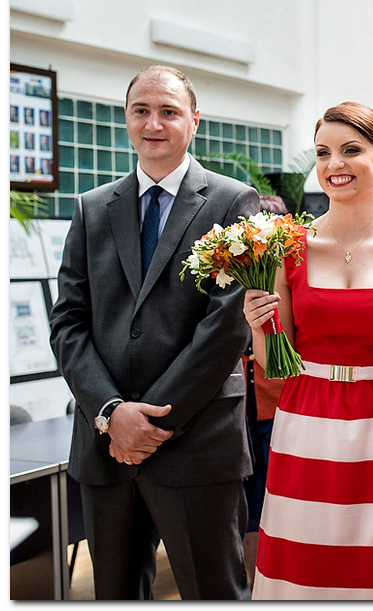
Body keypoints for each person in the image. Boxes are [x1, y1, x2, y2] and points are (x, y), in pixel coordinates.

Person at [49, 65, 258, 599]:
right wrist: (111, 413)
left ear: (194, 121)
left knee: (214, 593)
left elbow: (227, 326)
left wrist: (150, 423)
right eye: (141, 111)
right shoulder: (92, 209)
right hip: (106, 446)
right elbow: (68, 321)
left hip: (197, 443)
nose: (153, 124)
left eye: (168, 111)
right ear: (126, 118)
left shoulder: (233, 201)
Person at [241, 103, 373, 599]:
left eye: (351, 150)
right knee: (304, 571)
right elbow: (274, 364)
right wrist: (258, 324)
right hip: (305, 427)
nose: (335, 164)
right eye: (323, 153)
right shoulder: (286, 248)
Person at [241, 194, 290, 581]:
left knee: (279, 505)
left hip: (278, 408)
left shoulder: (290, 275)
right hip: (242, 412)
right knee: (247, 511)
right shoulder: (238, 273)